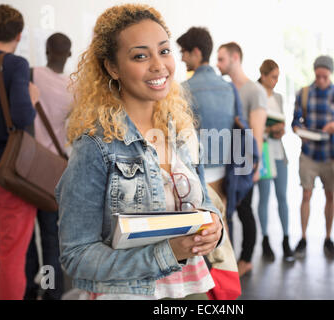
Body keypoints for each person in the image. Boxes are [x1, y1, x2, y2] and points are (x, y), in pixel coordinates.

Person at [55, 4, 224, 300]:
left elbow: (205, 203)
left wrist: (214, 227)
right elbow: (77, 255)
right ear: (113, 67)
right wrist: (166, 254)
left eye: (164, 51)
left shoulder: (180, 130)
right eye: (140, 56)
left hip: (193, 290)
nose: (158, 65)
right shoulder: (95, 145)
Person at [0, 4, 39, 300]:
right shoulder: (16, 65)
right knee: (12, 258)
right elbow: (23, 117)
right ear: (19, 35)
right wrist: (32, 98)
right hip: (10, 174)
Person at [24, 32, 72, 300]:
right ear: (69, 53)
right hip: (54, 172)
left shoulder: (30, 75)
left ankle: (29, 291)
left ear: (46, 50)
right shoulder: (73, 89)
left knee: (27, 239)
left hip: (27, 167)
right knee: (52, 240)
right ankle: (53, 292)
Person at [291, 55, 334, 260]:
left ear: (330, 73)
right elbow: (295, 122)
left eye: (325, 76)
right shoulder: (304, 93)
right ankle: (303, 237)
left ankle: (328, 238)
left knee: (330, 196)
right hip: (308, 154)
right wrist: (299, 130)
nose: (321, 79)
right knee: (306, 195)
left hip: (331, 155)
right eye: (318, 76)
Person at [217, 42, 267, 276]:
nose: (218, 64)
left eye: (222, 59)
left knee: (245, 210)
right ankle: (229, 258)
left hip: (245, 160)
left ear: (235, 58)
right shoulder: (224, 89)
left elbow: (257, 131)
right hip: (227, 161)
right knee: (228, 212)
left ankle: (246, 259)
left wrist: (254, 166)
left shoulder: (254, 91)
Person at [176, 27, 235, 213]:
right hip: (226, 169)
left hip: (199, 174)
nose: (182, 58)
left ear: (196, 52)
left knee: (206, 231)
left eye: (183, 52)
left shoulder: (184, 89)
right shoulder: (228, 88)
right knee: (221, 226)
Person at [256, 59, 294, 262]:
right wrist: (269, 130)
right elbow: (252, 127)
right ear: (263, 75)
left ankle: (286, 240)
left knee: (282, 197)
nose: (276, 81)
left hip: (279, 154)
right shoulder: (255, 95)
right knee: (263, 198)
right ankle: (265, 240)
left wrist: (279, 130)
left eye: (278, 77)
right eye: (273, 76)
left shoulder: (278, 97)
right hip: (263, 155)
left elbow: (282, 122)